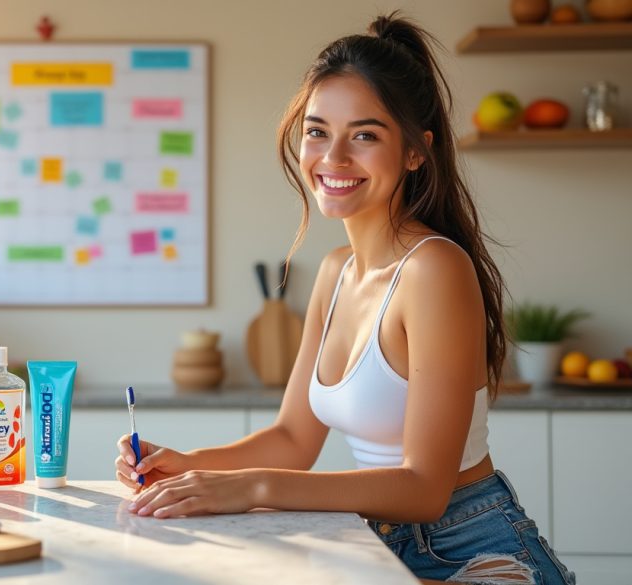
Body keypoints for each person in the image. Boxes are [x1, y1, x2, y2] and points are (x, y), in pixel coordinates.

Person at [115, 12, 575, 585]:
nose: (332, 158)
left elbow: (425, 489)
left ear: (414, 151)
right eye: (316, 130)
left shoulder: (435, 269)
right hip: (376, 544)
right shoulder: (335, 272)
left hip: (475, 551)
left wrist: (253, 486)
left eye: (364, 134)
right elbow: (293, 439)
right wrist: (186, 466)